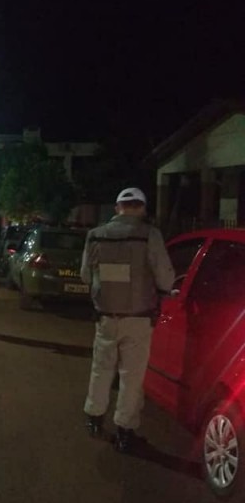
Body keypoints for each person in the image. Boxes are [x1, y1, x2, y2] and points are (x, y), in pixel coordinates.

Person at [80, 187, 175, 453]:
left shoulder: (95, 235)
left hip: (105, 317)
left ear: (117, 208)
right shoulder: (149, 235)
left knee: (101, 369)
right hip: (138, 319)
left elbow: (85, 275)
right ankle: (125, 430)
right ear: (142, 208)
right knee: (131, 377)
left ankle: (94, 418)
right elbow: (166, 278)